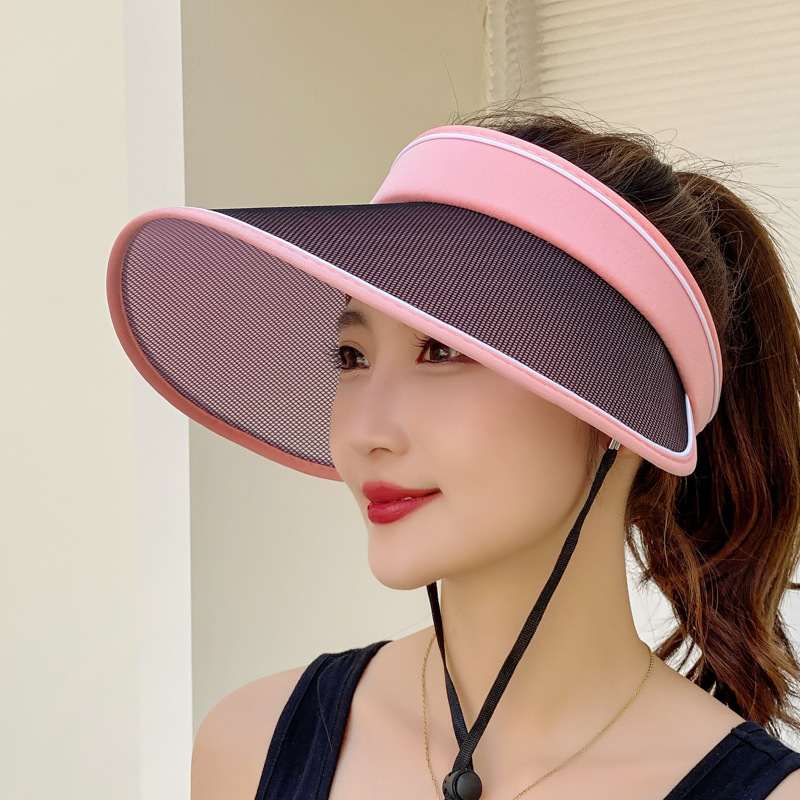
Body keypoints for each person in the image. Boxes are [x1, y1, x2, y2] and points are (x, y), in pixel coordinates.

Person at [107, 110, 800, 799]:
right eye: (352, 357)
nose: (365, 431)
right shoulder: (251, 748)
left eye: (441, 351)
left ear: (619, 402)